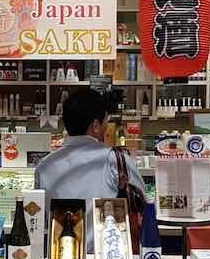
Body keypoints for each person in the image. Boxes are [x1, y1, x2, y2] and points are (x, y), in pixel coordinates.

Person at [35, 89, 145, 249]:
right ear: (95, 125)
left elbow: (40, 219)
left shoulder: (45, 165)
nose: (107, 128)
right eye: (106, 123)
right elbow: (144, 207)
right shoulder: (116, 160)